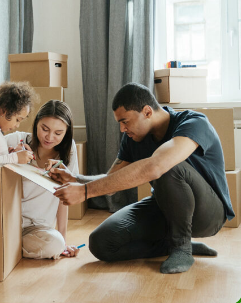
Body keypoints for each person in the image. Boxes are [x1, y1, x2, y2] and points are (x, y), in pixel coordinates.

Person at [48, 82, 234, 274]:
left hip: (208, 214)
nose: (122, 129)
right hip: (165, 208)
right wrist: (76, 179)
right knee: (101, 243)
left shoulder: (194, 123)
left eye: (125, 121)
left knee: (167, 165)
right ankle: (171, 244)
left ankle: (182, 247)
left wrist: (85, 192)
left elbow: (157, 166)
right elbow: (111, 181)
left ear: (147, 111)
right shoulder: (133, 138)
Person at [0, 98, 81, 259]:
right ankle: (5, 245)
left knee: (55, 244)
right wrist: (9, 154)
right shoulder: (17, 139)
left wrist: (63, 240)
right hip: (8, 222)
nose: (49, 137)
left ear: (66, 133)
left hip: (38, 229)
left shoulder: (69, 152)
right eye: (44, 129)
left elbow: (65, 197)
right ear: (36, 124)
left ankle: (3, 246)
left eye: (58, 133)